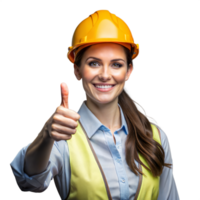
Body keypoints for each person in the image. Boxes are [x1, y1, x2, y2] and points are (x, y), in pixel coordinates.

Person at [8, 9, 180, 200]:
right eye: (94, 63)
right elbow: (28, 181)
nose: (105, 75)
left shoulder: (156, 136)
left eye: (116, 64)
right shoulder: (62, 138)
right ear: (77, 70)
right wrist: (46, 135)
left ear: (129, 71)